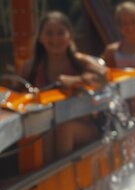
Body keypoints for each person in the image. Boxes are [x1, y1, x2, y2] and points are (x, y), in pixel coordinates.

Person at [19, 11, 106, 162]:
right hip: (47, 126)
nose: (55, 39)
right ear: (40, 37)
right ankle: (44, 177)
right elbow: (18, 91)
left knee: (63, 128)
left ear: (70, 35)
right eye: (49, 33)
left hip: (83, 125)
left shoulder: (78, 60)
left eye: (60, 33)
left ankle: (61, 175)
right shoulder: (32, 67)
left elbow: (103, 78)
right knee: (44, 130)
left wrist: (76, 80)